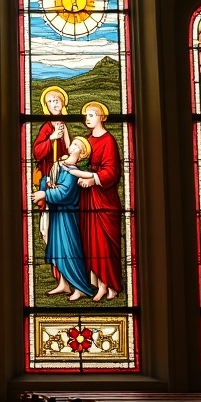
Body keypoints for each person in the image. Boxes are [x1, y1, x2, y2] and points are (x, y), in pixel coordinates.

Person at [33, 135, 96, 299]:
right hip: (57, 214)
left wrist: (44, 193)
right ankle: (63, 284)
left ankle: (80, 287)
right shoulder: (60, 165)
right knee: (57, 249)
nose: (72, 145)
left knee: (69, 250)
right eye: (73, 143)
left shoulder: (73, 172)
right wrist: (45, 183)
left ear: (82, 153)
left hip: (67, 216)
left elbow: (64, 193)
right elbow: (51, 182)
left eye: (76, 145)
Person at [74, 101, 124, 301]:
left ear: (102, 117)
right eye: (86, 115)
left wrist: (92, 179)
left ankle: (108, 284)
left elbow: (112, 171)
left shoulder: (109, 140)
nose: (88, 118)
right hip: (88, 200)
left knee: (105, 243)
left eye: (92, 114)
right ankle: (99, 284)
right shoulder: (86, 141)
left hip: (104, 200)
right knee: (91, 242)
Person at [32, 85, 71, 256]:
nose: (54, 104)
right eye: (50, 102)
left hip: (63, 176)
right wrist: (51, 138)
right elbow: (37, 152)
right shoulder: (47, 127)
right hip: (48, 176)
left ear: (62, 103)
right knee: (48, 219)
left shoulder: (64, 125)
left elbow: (69, 149)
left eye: (56, 100)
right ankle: (50, 245)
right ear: (46, 107)